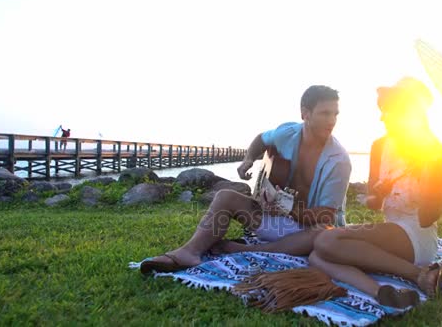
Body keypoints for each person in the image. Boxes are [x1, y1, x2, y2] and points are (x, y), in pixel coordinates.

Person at [140, 85, 352, 274]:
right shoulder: (286, 133)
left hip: (307, 234)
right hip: (276, 222)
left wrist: (285, 208)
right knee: (225, 196)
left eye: (335, 114)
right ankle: (190, 251)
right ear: (305, 113)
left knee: (324, 232)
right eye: (325, 113)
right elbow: (261, 139)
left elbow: (325, 216)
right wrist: (248, 160)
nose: (332, 120)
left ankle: (248, 249)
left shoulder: (339, 161)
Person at [304, 77, 442, 308]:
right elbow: (373, 205)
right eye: (383, 109)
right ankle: (380, 292)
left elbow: (427, 218)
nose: (382, 116)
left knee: (326, 239)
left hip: (416, 236)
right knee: (317, 255)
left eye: (389, 110)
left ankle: (417, 274)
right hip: (392, 233)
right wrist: (378, 194)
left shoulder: (432, 152)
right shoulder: (379, 147)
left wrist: (434, 172)